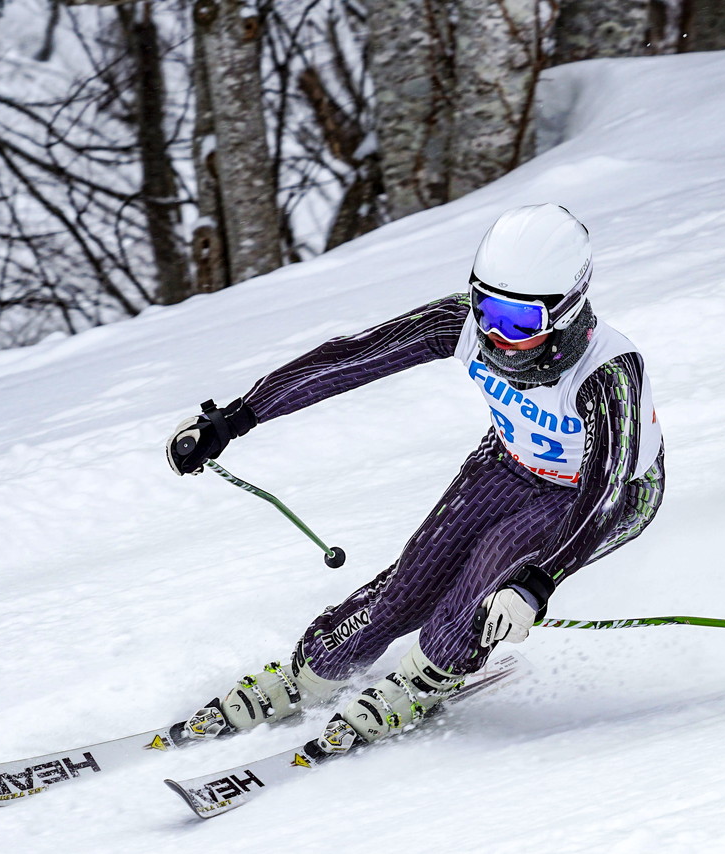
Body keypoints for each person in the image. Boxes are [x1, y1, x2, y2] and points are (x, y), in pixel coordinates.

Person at [165, 203, 665, 754]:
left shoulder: (608, 372)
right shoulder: (464, 325)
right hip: (511, 463)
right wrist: (235, 418)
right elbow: (354, 358)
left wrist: (538, 581)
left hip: (605, 495)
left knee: (495, 562)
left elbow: (605, 490)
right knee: (411, 582)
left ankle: (425, 676)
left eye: (520, 323)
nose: (496, 335)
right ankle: (310, 674)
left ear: (566, 313)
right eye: (488, 311)